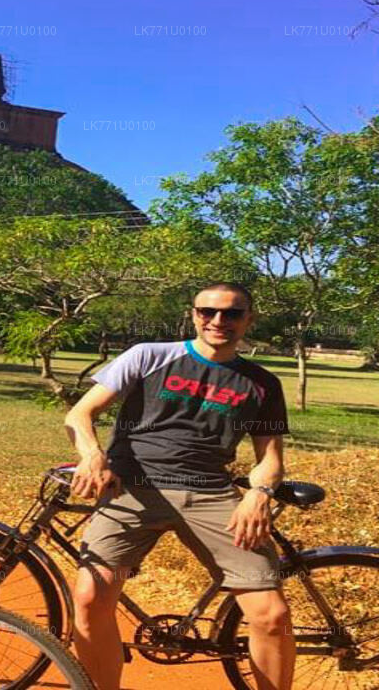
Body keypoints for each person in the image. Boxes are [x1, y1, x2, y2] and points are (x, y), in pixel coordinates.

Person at [64, 281, 295, 690]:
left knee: (270, 615)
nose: (218, 321)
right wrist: (92, 455)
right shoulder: (149, 356)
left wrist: (259, 494)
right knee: (91, 598)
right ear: (193, 315)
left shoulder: (262, 383)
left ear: (249, 319)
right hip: (132, 491)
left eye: (232, 313)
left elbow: (270, 460)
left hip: (211, 494)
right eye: (207, 311)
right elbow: (81, 413)